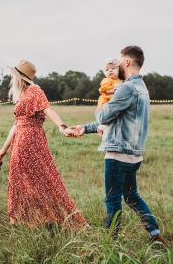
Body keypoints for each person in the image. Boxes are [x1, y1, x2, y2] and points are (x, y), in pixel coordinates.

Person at [67, 46, 167, 244]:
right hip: (134, 154)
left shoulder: (126, 88)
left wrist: (102, 101)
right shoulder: (142, 88)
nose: (118, 65)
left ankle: (110, 243)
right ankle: (155, 235)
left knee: (113, 199)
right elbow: (117, 121)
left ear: (127, 62)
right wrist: (86, 128)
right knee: (131, 197)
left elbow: (104, 115)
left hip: (118, 154)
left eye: (120, 62)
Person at [0, 59, 88, 228]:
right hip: (20, 140)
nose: (11, 79)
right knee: (21, 180)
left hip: (30, 140)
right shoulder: (23, 95)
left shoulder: (34, 90)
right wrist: (3, 149)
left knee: (42, 179)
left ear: (19, 77)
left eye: (13, 76)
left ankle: (48, 217)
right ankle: (25, 219)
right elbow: (16, 125)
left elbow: (48, 109)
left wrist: (62, 127)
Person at [97, 58, 122, 142]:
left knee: (113, 120)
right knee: (108, 117)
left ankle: (102, 128)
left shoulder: (119, 81)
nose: (110, 71)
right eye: (107, 70)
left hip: (113, 103)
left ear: (119, 70)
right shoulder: (106, 80)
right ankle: (103, 132)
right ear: (104, 72)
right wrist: (115, 90)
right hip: (105, 103)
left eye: (113, 68)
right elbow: (105, 90)